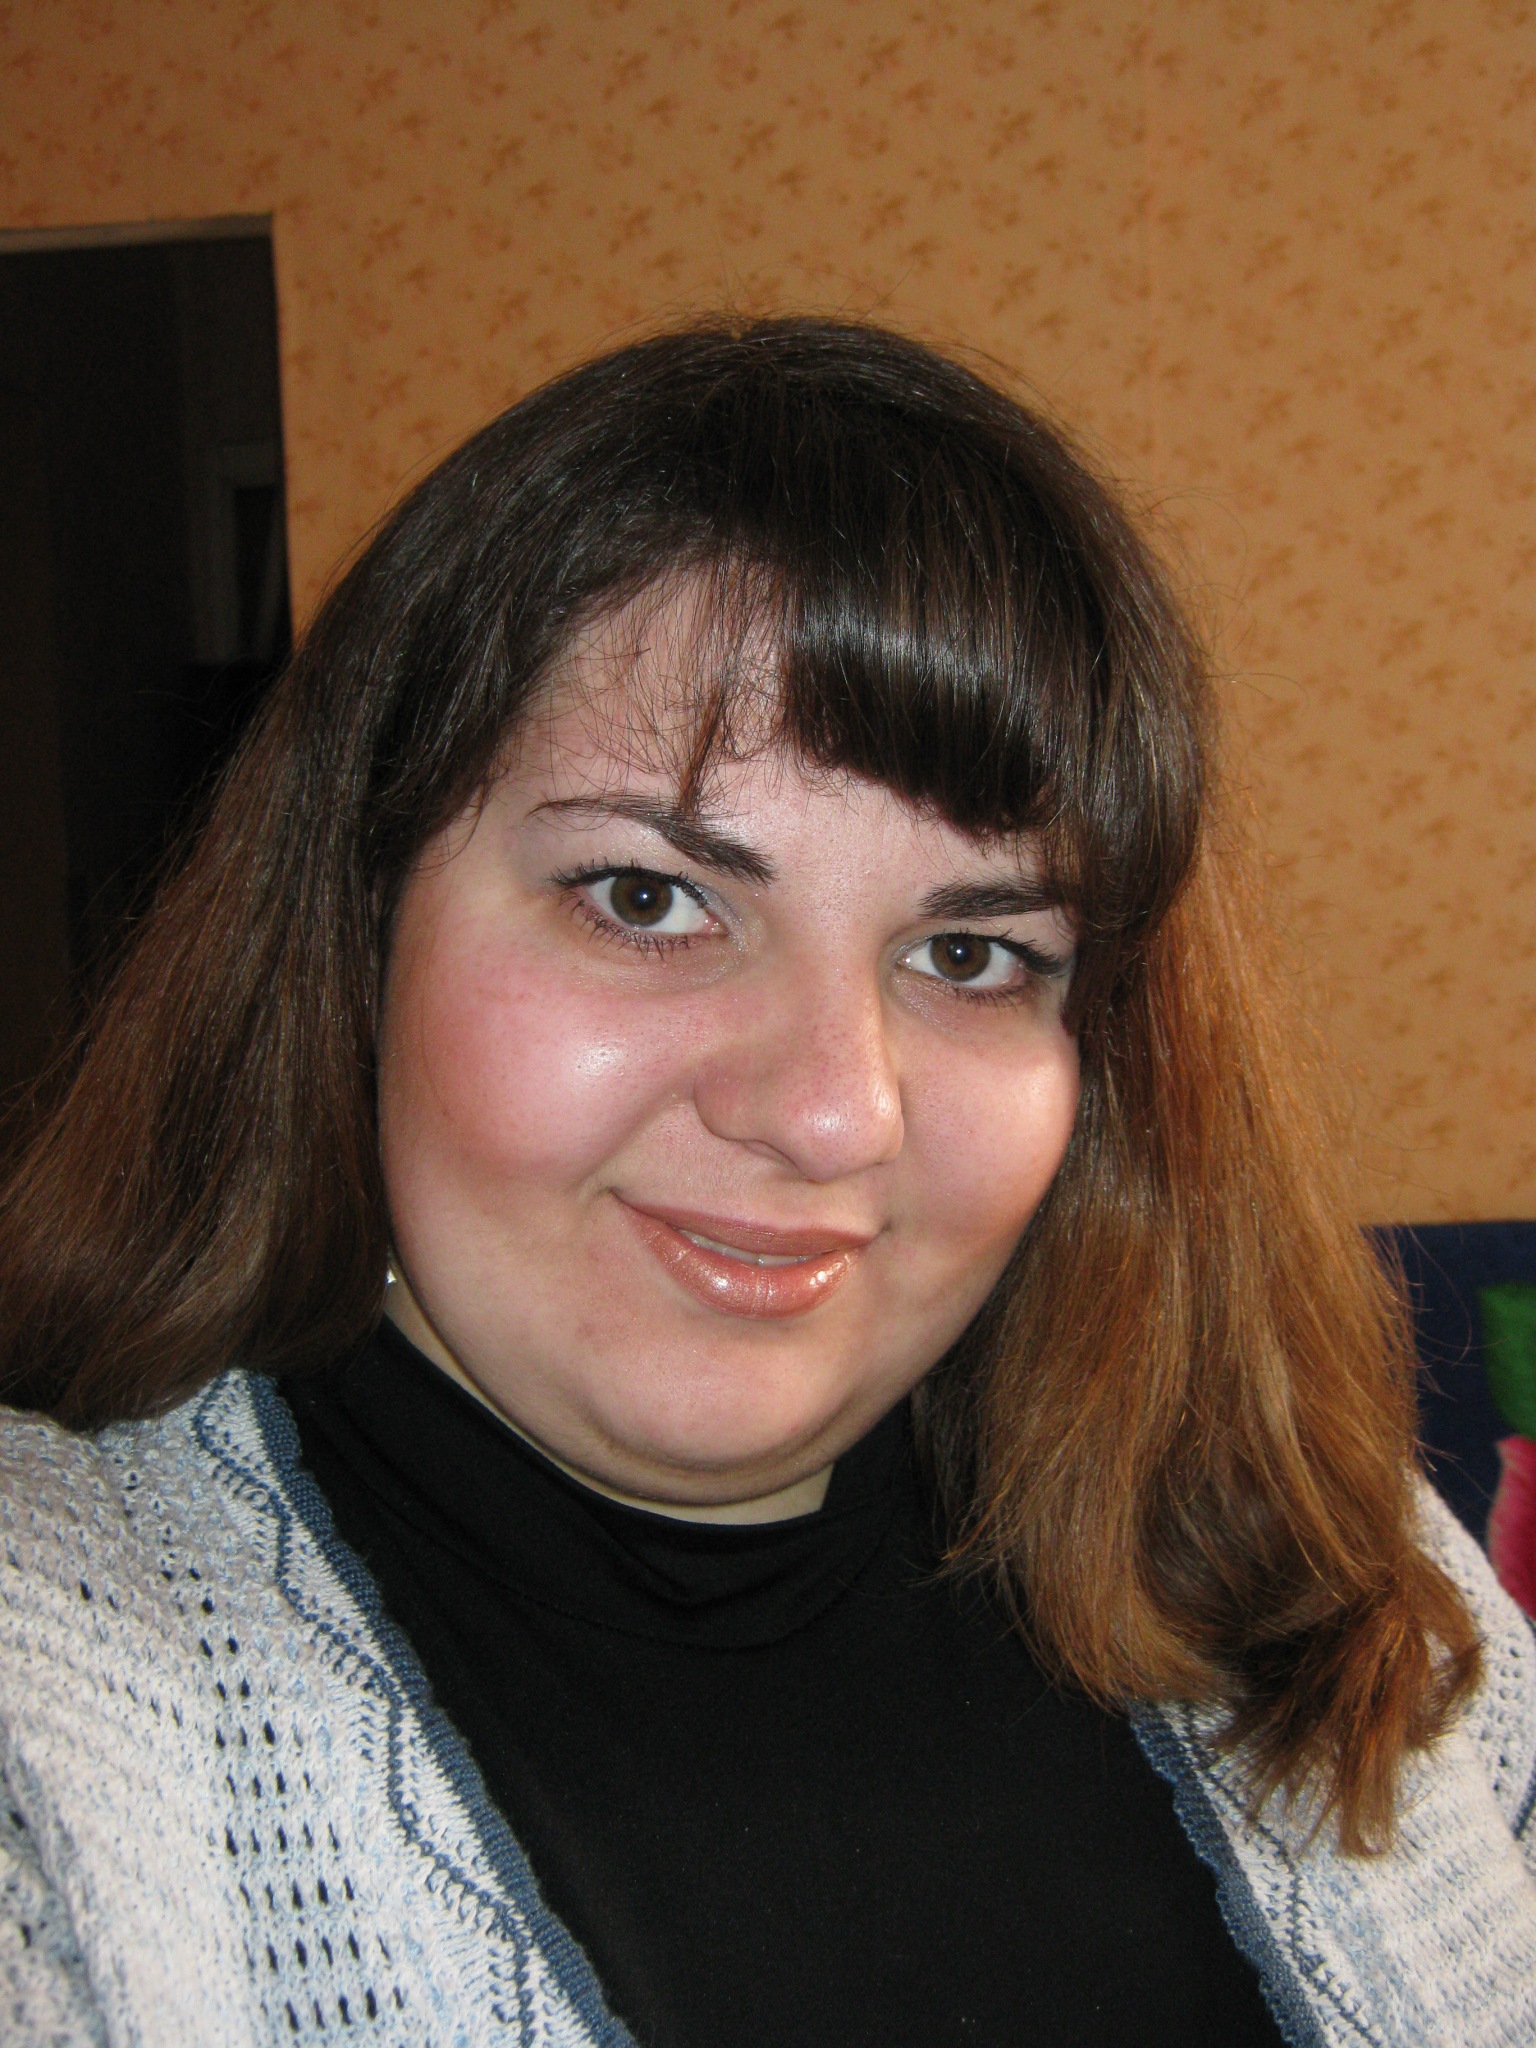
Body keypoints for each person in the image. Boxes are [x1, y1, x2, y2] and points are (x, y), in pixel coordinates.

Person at [0, 318, 1532, 2048]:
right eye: (648, 899)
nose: (829, 1113)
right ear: (355, 922)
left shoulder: (1327, 1567)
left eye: (970, 951)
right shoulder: (54, 1710)